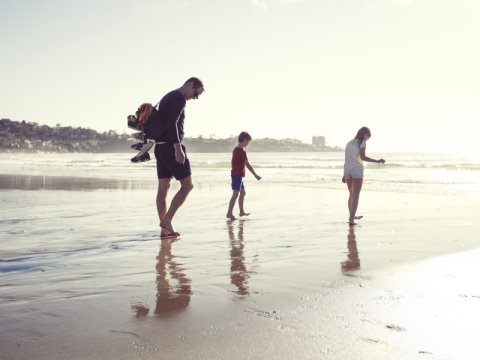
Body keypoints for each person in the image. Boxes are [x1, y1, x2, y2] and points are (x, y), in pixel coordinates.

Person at [155, 77, 204, 238]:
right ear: (190, 85)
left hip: (160, 147)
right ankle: (167, 220)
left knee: (163, 189)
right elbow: (172, 123)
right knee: (187, 185)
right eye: (195, 94)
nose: (194, 98)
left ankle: (165, 229)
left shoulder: (168, 96)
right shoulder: (179, 98)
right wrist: (177, 148)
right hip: (171, 147)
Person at [343, 126, 385, 226]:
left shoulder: (349, 143)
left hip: (347, 170)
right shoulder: (362, 142)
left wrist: (343, 174)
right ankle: (351, 219)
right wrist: (377, 161)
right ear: (365, 134)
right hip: (357, 170)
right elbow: (363, 157)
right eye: (368, 137)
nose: (367, 139)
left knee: (351, 194)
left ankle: (352, 215)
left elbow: (346, 159)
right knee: (356, 195)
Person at [226, 132, 261, 220]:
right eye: (248, 142)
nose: (248, 144)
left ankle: (241, 212)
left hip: (237, 175)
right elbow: (247, 165)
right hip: (237, 175)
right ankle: (229, 213)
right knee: (235, 194)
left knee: (242, 193)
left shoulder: (236, 149)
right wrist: (255, 175)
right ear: (245, 140)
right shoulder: (241, 151)